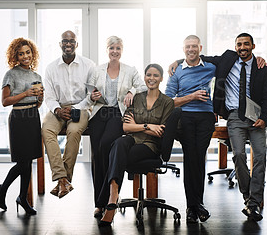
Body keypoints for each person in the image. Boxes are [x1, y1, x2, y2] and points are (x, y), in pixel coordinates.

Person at [201, 33, 267, 221]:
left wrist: (265, 118)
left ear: (253, 46)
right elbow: (201, 58)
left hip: (256, 118)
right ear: (235, 47)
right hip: (234, 117)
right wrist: (177, 62)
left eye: (246, 44)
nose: (242, 47)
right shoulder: (227, 59)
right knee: (238, 155)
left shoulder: (262, 67)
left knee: (260, 157)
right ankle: (248, 196)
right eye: (239, 44)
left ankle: (254, 202)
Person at [97, 64, 175, 227]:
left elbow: (161, 132)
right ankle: (113, 194)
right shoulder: (137, 97)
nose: (151, 78)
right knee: (118, 143)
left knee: (117, 154)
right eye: (148, 75)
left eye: (155, 75)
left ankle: (110, 202)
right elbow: (125, 127)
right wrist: (148, 126)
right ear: (144, 77)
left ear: (161, 78)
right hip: (132, 139)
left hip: (151, 146)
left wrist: (138, 125)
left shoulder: (167, 102)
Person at [86, 36, 147, 218]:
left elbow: (143, 87)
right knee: (97, 155)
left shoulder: (130, 70)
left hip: (117, 114)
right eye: (112, 48)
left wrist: (131, 91)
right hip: (99, 113)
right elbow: (88, 93)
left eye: (118, 48)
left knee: (106, 146)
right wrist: (93, 96)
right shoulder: (97, 70)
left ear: (122, 50)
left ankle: (111, 196)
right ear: (107, 50)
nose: (115, 51)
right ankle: (99, 203)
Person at [165, 35, 216, 224]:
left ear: (200, 48)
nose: (191, 49)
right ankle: (195, 206)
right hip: (184, 116)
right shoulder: (177, 71)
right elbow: (168, 101)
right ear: (183, 48)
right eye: (188, 47)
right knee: (191, 157)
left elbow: (228, 61)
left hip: (205, 116)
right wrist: (192, 96)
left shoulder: (210, 67)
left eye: (194, 46)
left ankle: (194, 207)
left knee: (197, 157)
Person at [0, 37, 44, 215]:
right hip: (18, 117)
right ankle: (3, 189)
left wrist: (39, 98)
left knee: (28, 161)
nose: (25, 56)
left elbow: (37, 103)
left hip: (33, 116)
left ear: (32, 54)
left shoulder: (36, 76)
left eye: (28, 52)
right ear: (16, 55)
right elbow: (5, 101)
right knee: (22, 162)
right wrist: (25, 93)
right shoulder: (11, 74)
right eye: (21, 53)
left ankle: (22, 197)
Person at [42, 30, 95, 199]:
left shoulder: (89, 65)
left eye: (72, 41)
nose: (68, 44)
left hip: (81, 108)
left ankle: (63, 180)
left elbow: (90, 95)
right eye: (65, 41)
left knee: (73, 132)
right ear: (60, 44)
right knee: (47, 129)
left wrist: (76, 108)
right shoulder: (50, 68)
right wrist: (57, 110)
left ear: (76, 44)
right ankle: (62, 178)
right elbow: (49, 97)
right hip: (57, 108)